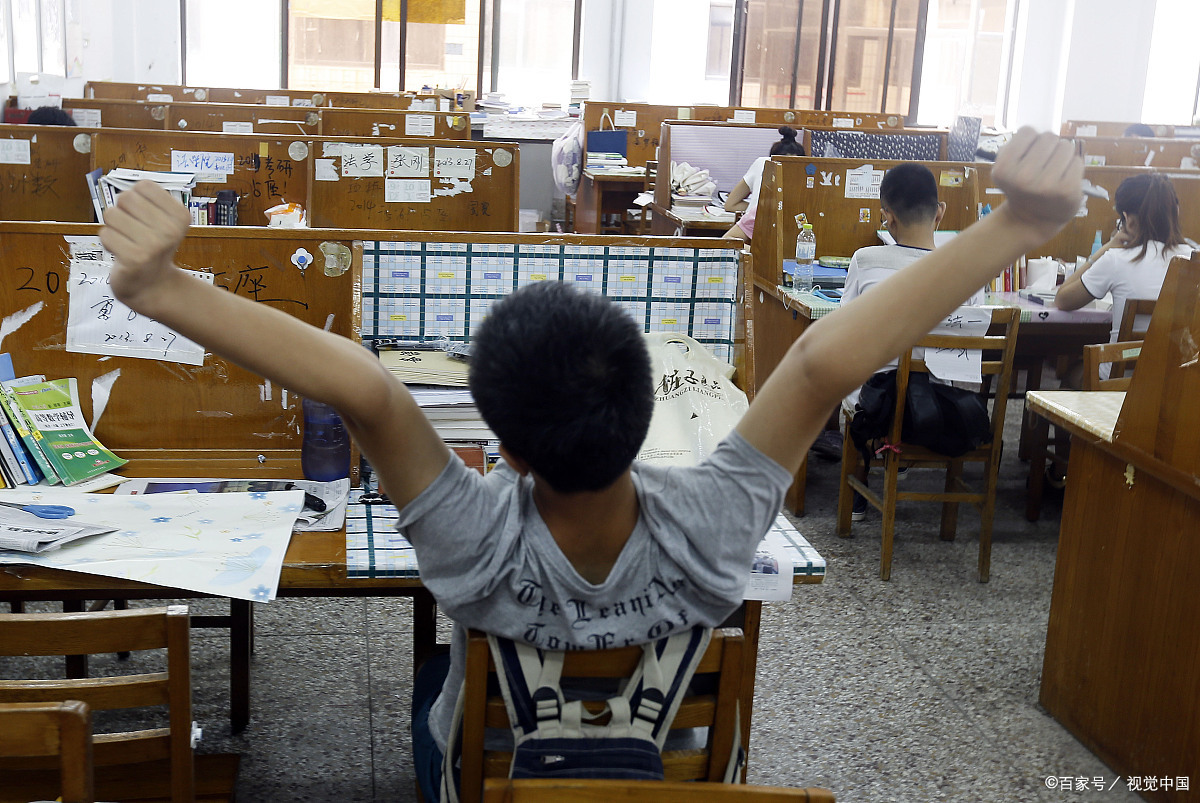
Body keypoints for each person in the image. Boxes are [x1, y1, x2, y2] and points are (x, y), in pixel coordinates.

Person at [98, 128, 1083, 802]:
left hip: (496, 769)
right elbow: (825, 363)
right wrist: (1015, 227)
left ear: (506, 450)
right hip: (668, 765)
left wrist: (161, 285)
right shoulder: (717, 520)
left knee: (433, 680)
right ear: (645, 408)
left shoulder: (469, 540)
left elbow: (368, 391)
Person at [837, 163, 988, 519]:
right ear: (940, 212)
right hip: (947, 405)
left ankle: (862, 478)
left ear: (886, 217)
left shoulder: (867, 259)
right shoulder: (971, 269)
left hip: (880, 404)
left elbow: (845, 331)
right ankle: (908, 457)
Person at [1055, 172, 1190, 381]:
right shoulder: (1194, 260)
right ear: (1175, 212)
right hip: (1177, 383)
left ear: (1128, 219)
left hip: (1121, 381)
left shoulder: (1117, 259)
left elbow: (1063, 300)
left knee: (1068, 375)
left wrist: (1106, 248)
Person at [722, 125, 805, 240]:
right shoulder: (759, 213)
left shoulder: (762, 163)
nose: (788, 174)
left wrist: (754, 207)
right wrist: (757, 209)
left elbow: (731, 204)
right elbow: (728, 240)